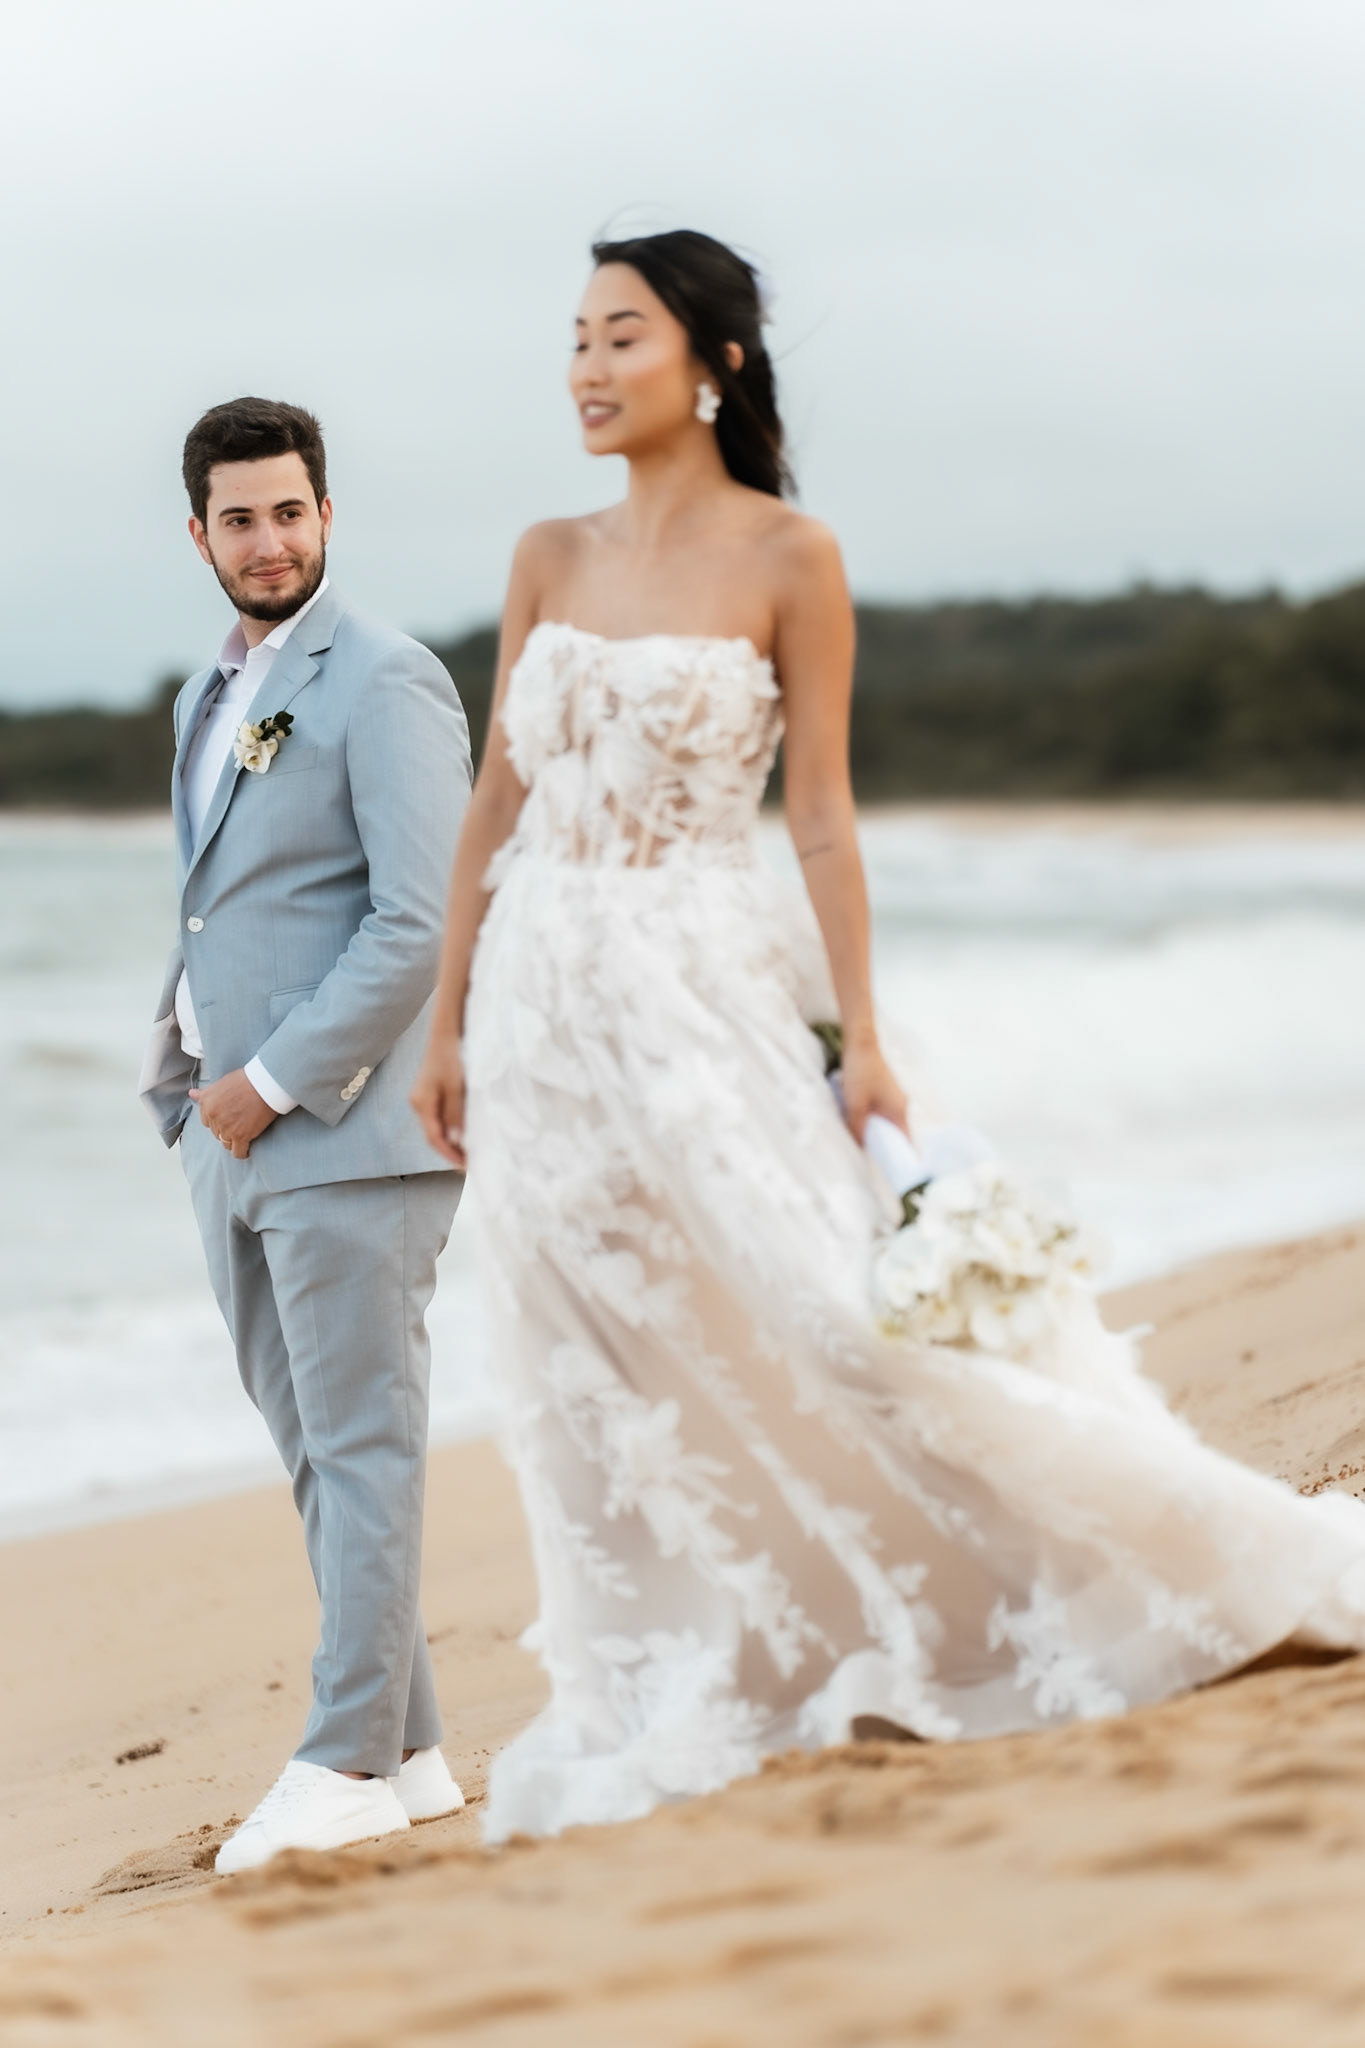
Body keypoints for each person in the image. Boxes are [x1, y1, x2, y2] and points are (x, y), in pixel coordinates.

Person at [412, 230, 1365, 1843]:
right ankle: (691, 1667)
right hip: (537, 1014)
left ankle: (1083, 1576)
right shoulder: (544, 555)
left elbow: (826, 817)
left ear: (710, 359)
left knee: (815, 1306)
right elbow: (495, 799)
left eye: (618, 335)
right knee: (598, 1357)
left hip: (703, 979)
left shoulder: (792, 554)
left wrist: (860, 1039)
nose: (583, 367)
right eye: (571, 338)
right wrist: (444, 1017)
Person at [140, 397, 472, 1871]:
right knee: (313, 1459)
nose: (267, 541)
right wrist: (183, 1075)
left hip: (343, 1131)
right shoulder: (207, 697)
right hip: (230, 1141)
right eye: (238, 517)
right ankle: (408, 1750)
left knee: (364, 1446)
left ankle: (337, 1756)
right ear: (199, 532)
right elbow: (219, 902)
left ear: (326, 516)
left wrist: (266, 1082)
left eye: (289, 512)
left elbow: (420, 921)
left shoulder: (385, 678)